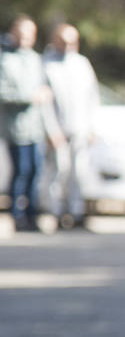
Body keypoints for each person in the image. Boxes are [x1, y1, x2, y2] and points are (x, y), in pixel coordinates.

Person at [0, 15, 58, 232]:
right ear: (14, 34)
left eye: (29, 35)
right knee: (21, 171)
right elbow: (4, 93)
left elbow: (44, 96)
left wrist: (50, 129)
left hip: (36, 129)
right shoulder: (5, 60)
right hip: (16, 129)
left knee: (36, 171)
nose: (25, 39)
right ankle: (17, 216)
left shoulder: (35, 59)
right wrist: (29, 96)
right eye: (21, 34)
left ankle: (32, 215)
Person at [42, 23, 101, 230]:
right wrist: (50, 130)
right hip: (58, 130)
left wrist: (92, 126)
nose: (68, 45)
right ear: (55, 40)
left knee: (79, 171)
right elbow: (45, 103)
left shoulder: (82, 64)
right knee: (59, 171)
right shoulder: (47, 64)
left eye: (72, 41)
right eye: (64, 41)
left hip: (80, 128)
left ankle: (77, 213)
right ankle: (57, 213)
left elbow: (92, 97)